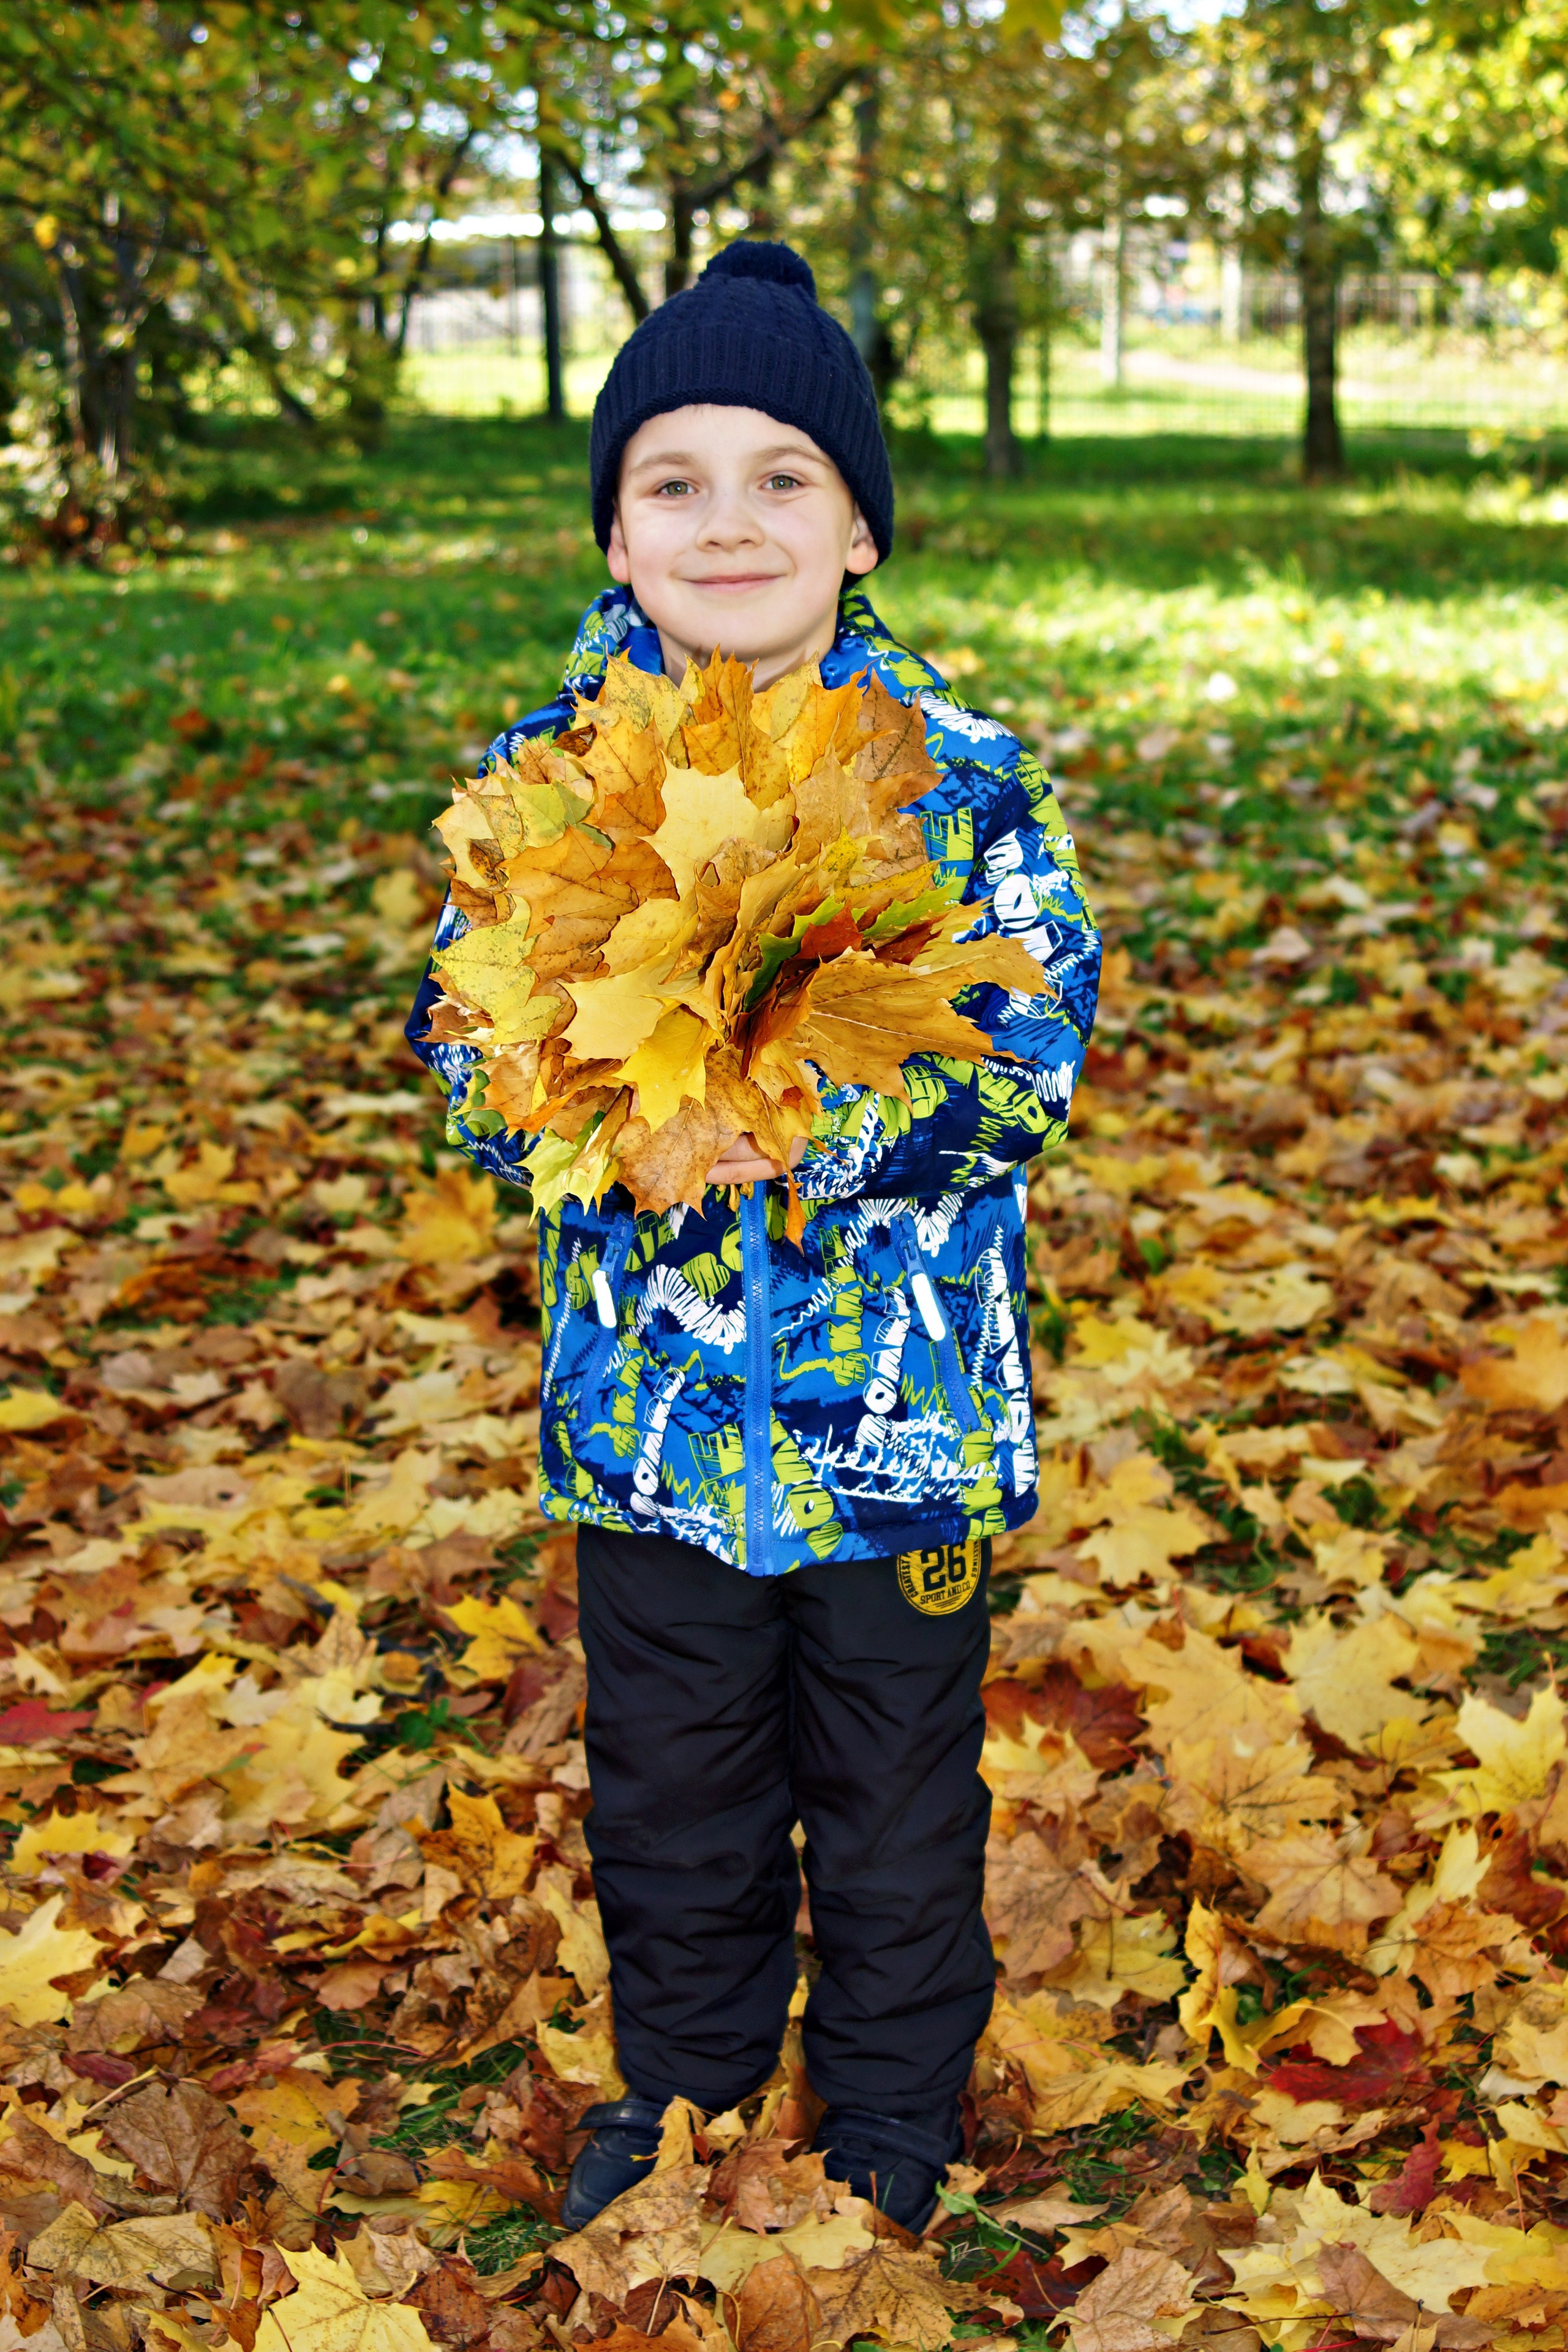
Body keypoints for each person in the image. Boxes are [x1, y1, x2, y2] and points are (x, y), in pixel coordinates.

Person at [407, 239, 1100, 2232]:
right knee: (676, 1798)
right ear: (616, 534)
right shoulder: (548, 798)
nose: (732, 522)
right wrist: (600, 1122)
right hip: (654, 1436)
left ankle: (889, 2115)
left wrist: (797, 1120)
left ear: (861, 527)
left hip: (905, 1433)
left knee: (895, 1799)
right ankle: (686, 2101)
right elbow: (474, 1051)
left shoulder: (959, 790)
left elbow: (1026, 1051)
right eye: (677, 481)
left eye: (785, 476)